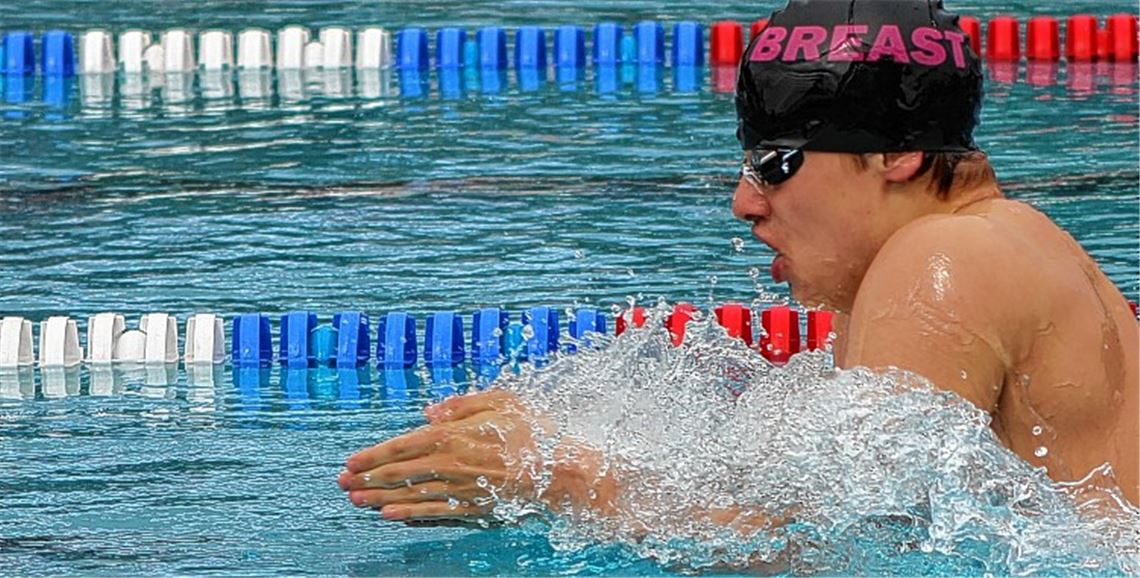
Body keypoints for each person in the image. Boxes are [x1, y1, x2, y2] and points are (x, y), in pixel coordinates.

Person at [337, 0, 1139, 524]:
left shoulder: (947, 258)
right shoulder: (973, 249)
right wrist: (555, 440)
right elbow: (819, 503)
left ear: (897, 153)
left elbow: (850, 552)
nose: (744, 203)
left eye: (775, 164)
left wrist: (565, 480)